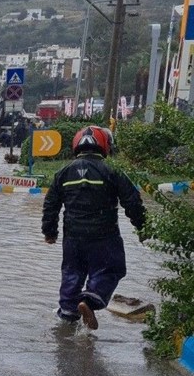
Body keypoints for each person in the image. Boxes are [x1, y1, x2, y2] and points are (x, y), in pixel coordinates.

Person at [41, 126, 146, 330]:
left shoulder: (63, 173)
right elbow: (132, 201)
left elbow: (50, 204)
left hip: (73, 237)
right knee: (111, 270)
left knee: (72, 273)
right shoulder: (112, 171)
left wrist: (49, 232)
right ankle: (89, 302)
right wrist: (142, 226)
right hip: (104, 237)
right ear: (105, 146)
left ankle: (67, 317)